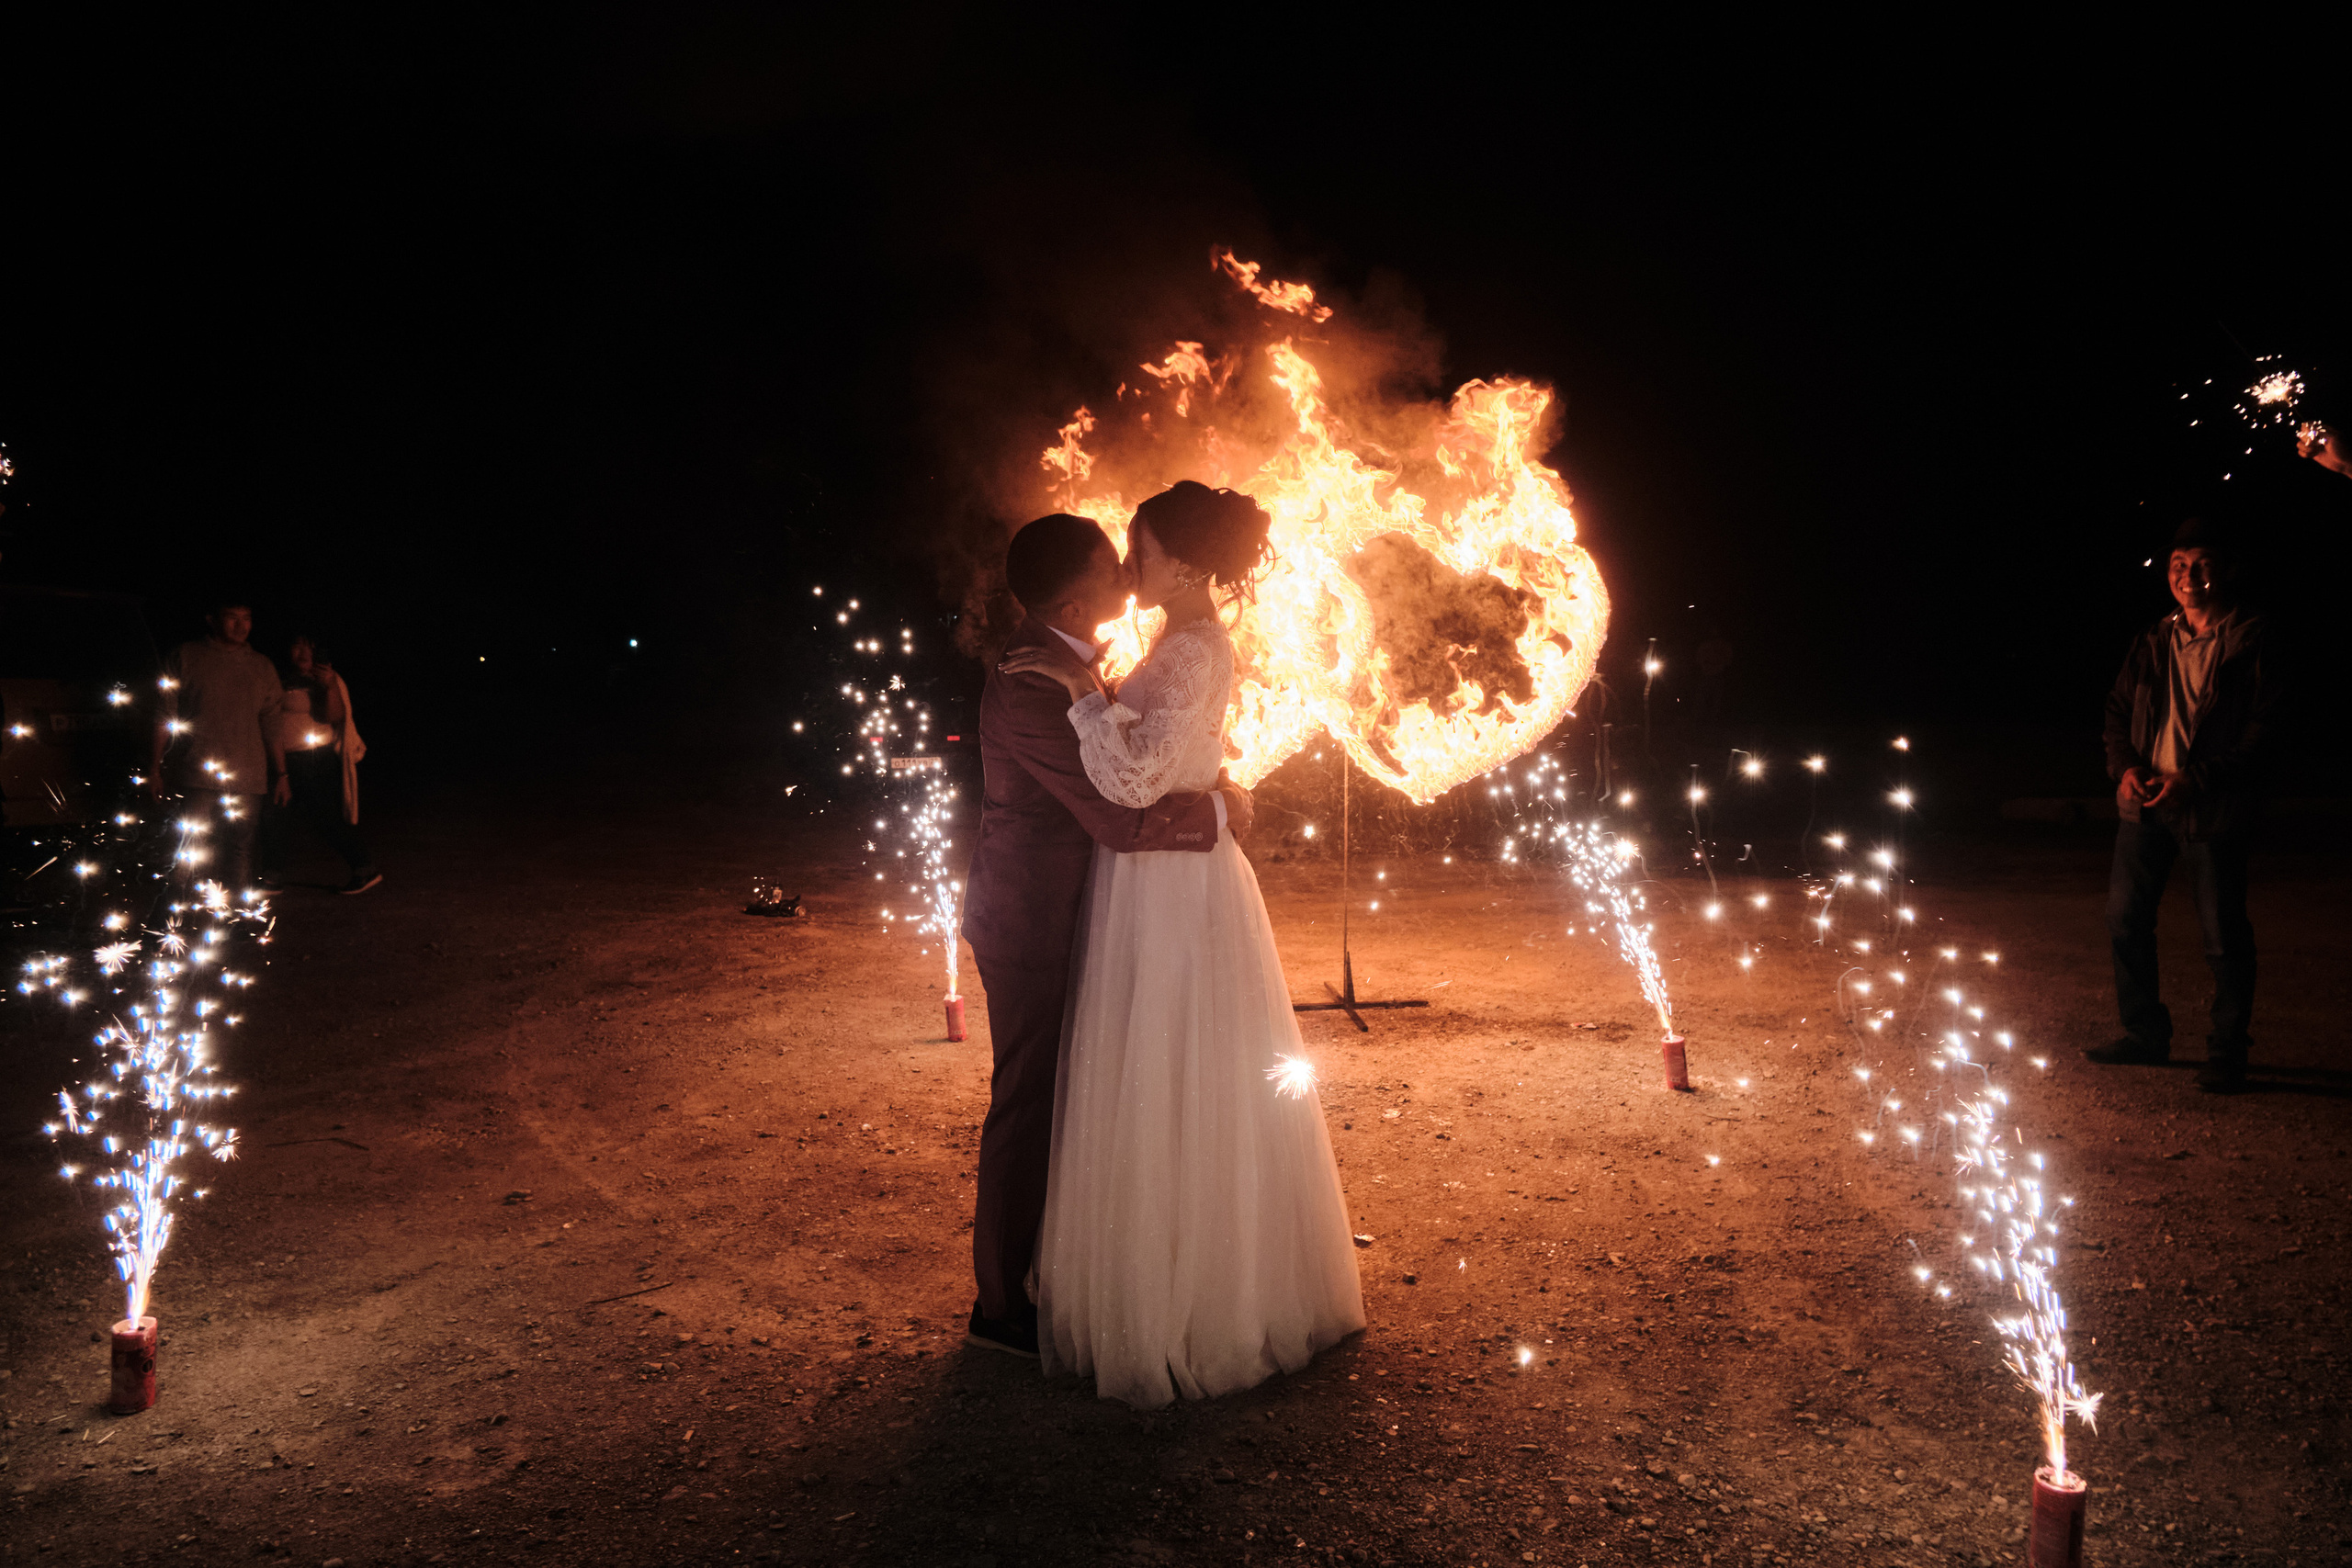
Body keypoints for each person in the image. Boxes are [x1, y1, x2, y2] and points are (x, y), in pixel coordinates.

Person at [1001, 481, 1364, 1407]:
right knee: (1157, 1066)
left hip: (1169, 887)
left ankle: (1186, 1303)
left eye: (1145, 548)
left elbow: (1125, 781)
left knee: (1173, 1066)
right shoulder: (1175, 645)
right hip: (1153, 879)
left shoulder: (1193, 649)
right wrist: (1214, 789)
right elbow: (1161, 756)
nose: (1133, 564)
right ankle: (1160, 1276)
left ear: (1191, 565)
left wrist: (1086, 691)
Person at [959, 512, 1255, 1360]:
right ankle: (1000, 1307)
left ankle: (1065, 1271)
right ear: (1074, 593)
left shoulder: (1074, 663)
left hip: (1074, 911)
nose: (1128, 571)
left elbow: (1142, 746)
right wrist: (1220, 808)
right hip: (1030, 921)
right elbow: (1120, 816)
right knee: (1028, 1099)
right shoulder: (1031, 684)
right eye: (1111, 561)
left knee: (1076, 1095)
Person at [2088, 517, 2284, 1092]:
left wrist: (2196, 780)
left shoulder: (2252, 640)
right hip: (2147, 806)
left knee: (2222, 935)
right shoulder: (2155, 639)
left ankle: (2227, 1053)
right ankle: (2145, 1034)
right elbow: (2117, 713)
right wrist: (2125, 768)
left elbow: (2265, 734)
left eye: (2201, 564)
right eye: (2178, 565)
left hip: (2210, 809)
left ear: (2225, 570)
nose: (2188, 576)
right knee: (2125, 921)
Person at [153, 599, 285, 891]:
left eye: (247, 618)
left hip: (248, 774)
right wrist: (155, 768)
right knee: (189, 846)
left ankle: (236, 919)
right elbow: (164, 713)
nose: (241, 626)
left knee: (241, 849)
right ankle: (172, 916)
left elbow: (272, 723)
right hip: (198, 771)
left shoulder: (261, 666)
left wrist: (282, 774)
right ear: (212, 619)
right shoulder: (187, 656)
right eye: (232, 617)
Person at [259, 634, 381, 894]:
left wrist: (328, 686)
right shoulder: (277, 678)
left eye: (310, 646)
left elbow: (336, 716)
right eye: (297, 645)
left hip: (315, 760)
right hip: (282, 757)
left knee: (325, 816)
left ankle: (364, 868)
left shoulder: (327, 679)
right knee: (275, 814)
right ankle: (272, 875)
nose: (304, 652)